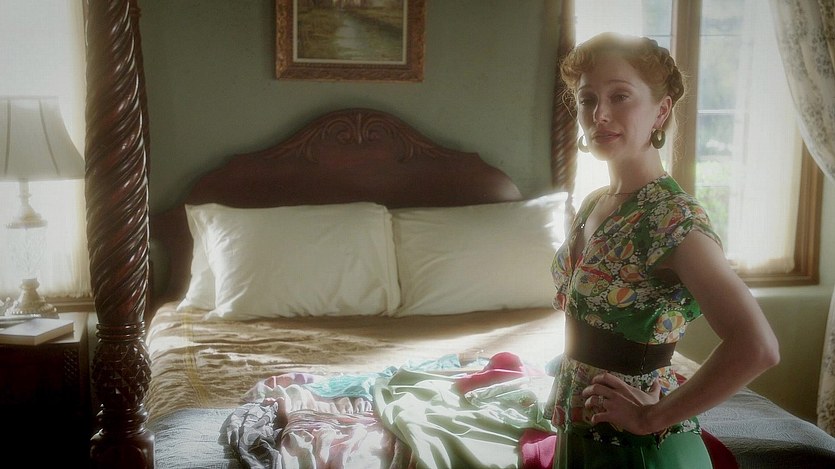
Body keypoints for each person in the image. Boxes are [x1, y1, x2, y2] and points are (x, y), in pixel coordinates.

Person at [548, 32, 780, 468]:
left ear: (661, 110)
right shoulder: (595, 203)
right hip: (581, 429)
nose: (599, 114)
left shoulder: (672, 219)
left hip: (638, 450)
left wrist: (651, 417)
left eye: (620, 96)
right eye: (587, 99)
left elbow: (757, 346)